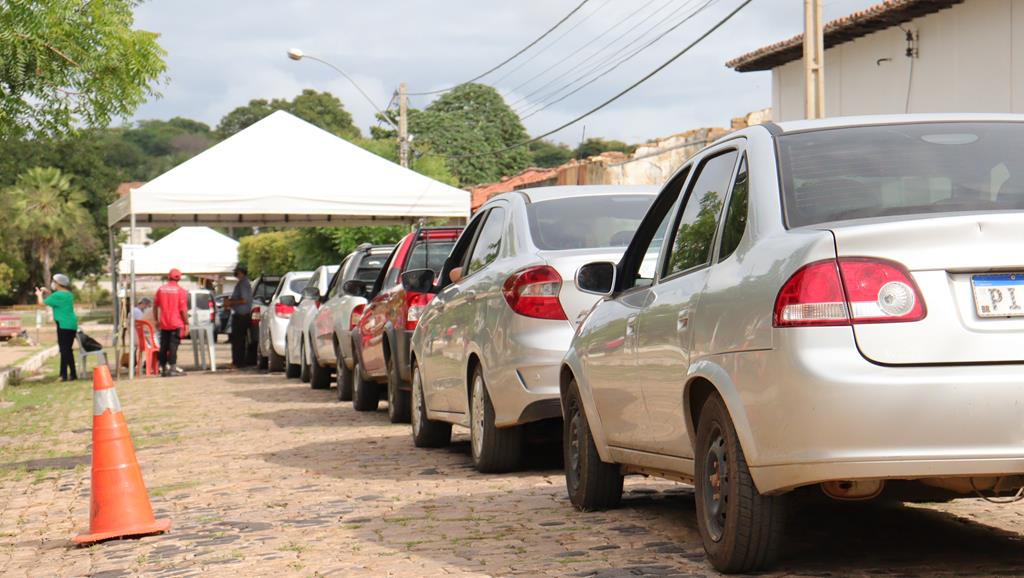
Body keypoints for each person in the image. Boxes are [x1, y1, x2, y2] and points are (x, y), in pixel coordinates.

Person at [35, 273, 78, 382]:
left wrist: (39, 294)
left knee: (64, 350)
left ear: (58, 283)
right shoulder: (68, 294)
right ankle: (73, 374)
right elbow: (57, 297)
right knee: (68, 350)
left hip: (63, 325)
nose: (52, 284)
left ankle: (63, 376)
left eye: (54, 282)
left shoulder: (57, 296)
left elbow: (41, 303)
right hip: (71, 325)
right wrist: (48, 292)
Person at [152, 268, 189, 377]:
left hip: (164, 323)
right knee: (173, 346)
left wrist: (156, 320)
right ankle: (173, 369)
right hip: (176, 323)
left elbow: (155, 306)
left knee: (163, 346)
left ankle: (163, 368)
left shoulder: (161, 289)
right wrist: (186, 323)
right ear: (179, 278)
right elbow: (183, 310)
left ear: (169, 277)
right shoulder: (181, 291)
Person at [223, 265, 252, 369]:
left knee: (238, 341)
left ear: (241, 272)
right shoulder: (242, 283)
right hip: (240, 315)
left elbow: (244, 300)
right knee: (238, 340)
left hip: (242, 316)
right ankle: (238, 362)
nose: (236, 274)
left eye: (237, 272)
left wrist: (230, 302)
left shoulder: (243, 283)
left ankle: (238, 362)